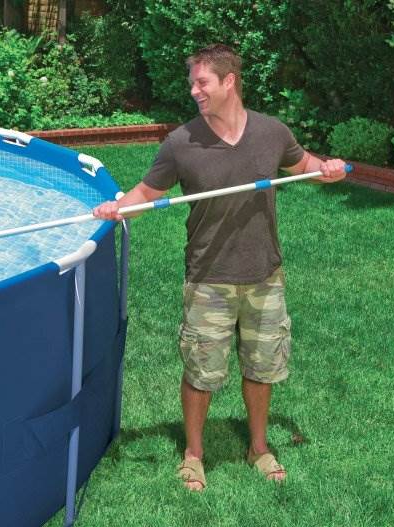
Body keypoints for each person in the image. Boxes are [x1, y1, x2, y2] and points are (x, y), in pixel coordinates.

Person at [93, 44, 348, 491]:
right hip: (209, 276)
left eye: (202, 82)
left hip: (265, 275)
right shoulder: (181, 142)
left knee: (262, 368)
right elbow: (147, 193)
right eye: (192, 83)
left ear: (229, 81)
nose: (194, 91)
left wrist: (328, 169)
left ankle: (259, 447)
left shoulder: (271, 132)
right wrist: (117, 209)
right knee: (201, 372)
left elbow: (304, 164)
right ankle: (193, 454)